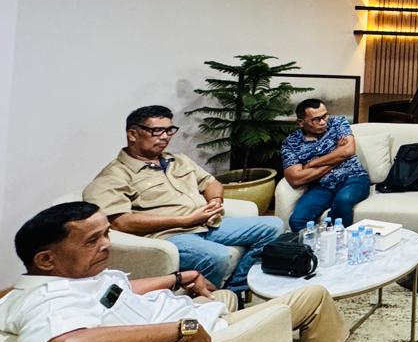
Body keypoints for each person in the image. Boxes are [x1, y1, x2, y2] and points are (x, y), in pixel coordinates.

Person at [0, 202, 369, 342]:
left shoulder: (69, 280)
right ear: (46, 259)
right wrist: (182, 329)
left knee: (224, 297)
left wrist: (178, 278)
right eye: (92, 240)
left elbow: (119, 290)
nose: (107, 245)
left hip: (190, 319)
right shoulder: (48, 301)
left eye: (106, 234)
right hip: (199, 339)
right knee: (314, 294)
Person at [83, 105, 284, 294]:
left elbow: (211, 182)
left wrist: (215, 200)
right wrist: (185, 221)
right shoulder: (114, 175)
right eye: (157, 131)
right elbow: (120, 222)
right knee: (218, 256)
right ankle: (208, 299)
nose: (165, 137)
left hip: (208, 224)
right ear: (133, 134)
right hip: (170, 235)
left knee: (273, 225)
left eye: (169, 130)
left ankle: (235, 290)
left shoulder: (178, 159)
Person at [281, 99, 372, 231]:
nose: (323, 122)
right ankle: (317, 242)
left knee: (343, 200)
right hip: (322, 186)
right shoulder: (291, 143)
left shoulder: (338, 123)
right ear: (301, 122)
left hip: (353, 177)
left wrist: (311, 163)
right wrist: (337, 155)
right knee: (297, 220)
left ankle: (337, 240)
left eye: (325, 116)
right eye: (316, 119)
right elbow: (295, 179)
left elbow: (348, 150)